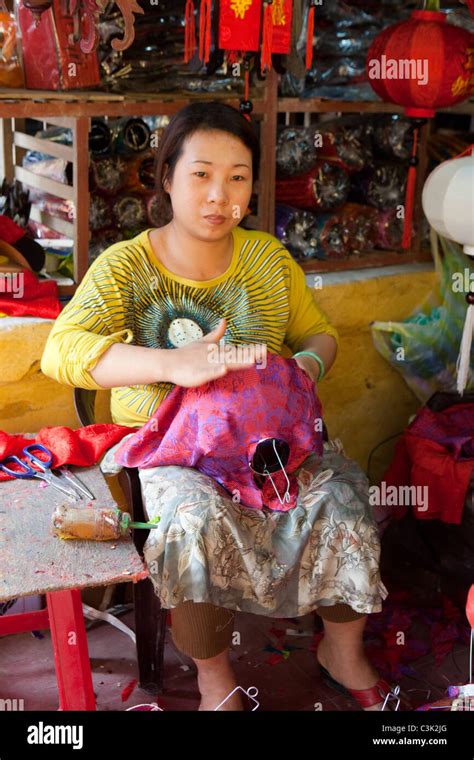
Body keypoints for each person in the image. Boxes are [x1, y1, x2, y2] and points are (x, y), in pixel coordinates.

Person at [41, 101, 401, 712]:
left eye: (237, 177)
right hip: (173, 450)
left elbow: (318, 335)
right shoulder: (127, 267)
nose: (219, 195)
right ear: (168, 179)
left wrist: (303, 368)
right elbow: (63, 350)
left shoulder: (267, 260)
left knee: (344, 497)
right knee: (193, 523)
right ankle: (216, 682)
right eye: (201, 174)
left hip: (266, 446)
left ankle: (340, 650)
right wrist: (171, 366)